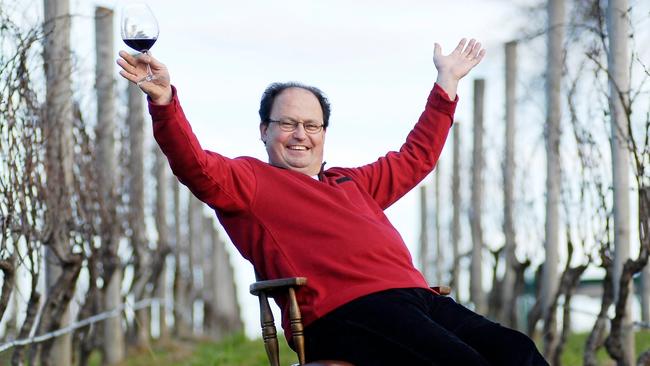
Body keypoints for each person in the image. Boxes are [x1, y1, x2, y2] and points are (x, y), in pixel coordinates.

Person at [117, 38, 547, 366]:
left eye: (311, 124)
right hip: (345, 313)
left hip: (418, 298)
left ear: (324, 133)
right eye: (287, 123)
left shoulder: (352, 183)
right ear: (264, 130)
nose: (300, 133)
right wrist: (165, 103)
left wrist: (446, 85)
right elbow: (195, 166)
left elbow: (415, 158)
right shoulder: (249, 181)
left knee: (517, 351)